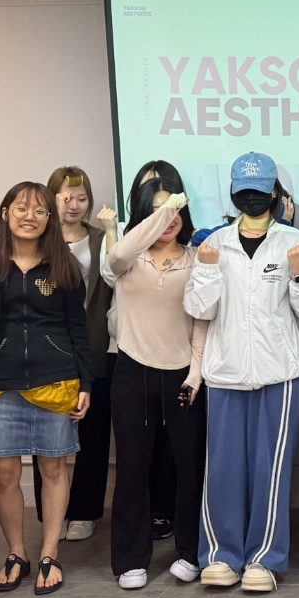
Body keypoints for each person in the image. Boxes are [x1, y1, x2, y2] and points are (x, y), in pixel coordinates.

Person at [184, 152, 299, 593]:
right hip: (224, 373)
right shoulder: (214, 244)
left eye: (259, 192)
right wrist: (207, 269)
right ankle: (221, 556)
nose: (251, 199)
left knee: (270, 471)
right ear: (232, 193)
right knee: (222, 470)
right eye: (243, 192)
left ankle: (264, 559)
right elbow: (198, 308)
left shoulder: (292, 242)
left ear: (275, 194)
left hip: (278, 374)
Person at [0, 181, 92, 598]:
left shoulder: (63, 265)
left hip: (56, 381)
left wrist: (86, 382)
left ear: (49, 219)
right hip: (0, 384)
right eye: (21, 208)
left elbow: (77, 328)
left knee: (53, 469)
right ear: (5, 213)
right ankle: (17, 554)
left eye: (40, 211)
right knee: (4, 476)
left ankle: (50, 553)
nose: (30, 217)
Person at [106, 181, 207, 589]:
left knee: (190, 466)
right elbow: (118, 253)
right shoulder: (128, 259)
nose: (168, 219)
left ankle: (191, 552)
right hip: (133, 369)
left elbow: (203, 323)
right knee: (132, 467)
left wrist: (195, 374)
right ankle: (131, 559)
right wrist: (162, 212)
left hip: (184, 374)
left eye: (175, 211)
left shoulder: (198, 259)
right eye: (157, 211)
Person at [100, 158, 182, 541]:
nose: (163, 210)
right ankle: (134, 537)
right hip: (129, 350)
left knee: (171, 448)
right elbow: (111, 269)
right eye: (151, 194)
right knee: (134, 451)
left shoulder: (188, 248)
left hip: (177, 357)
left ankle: (166, 515)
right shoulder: (126, 239)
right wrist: (112, 229)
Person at [32, 166, 113, 543]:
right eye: (66, 197)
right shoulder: (36, 240)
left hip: (95, 347)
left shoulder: (102, 239)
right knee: (46, 438)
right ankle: (52, 513)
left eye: (81, 198)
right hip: (46, 353)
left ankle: (85, 512)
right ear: (52, 199)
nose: (74, 205)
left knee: (93, 435)